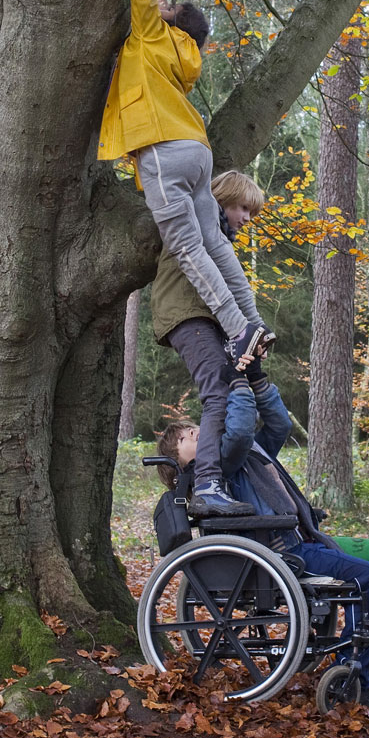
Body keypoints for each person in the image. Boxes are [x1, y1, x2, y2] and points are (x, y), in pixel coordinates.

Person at [99, 0, 270, 372]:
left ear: (173, 24)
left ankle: (238, 331)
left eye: (166, 10)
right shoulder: (186, 57)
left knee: (188, 246)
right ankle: (253, 321)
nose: (160, 8)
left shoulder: (154, 34)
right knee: (214, 241)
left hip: (162, 150)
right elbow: (158, 5)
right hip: (197, 149)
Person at [155, 376, 369, 710]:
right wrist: (237, 384)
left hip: (290, 544)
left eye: (194, 428)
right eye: (184, 437)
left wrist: (260, 384)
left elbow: (279, 425)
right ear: (181, 462)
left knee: (365, 577)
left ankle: (354, 655)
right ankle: (358, 676)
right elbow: (237, 433)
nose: (195, 432)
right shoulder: (221, 463)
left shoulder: (243, 457)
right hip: (283, 552)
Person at [148, 170, 271, 517]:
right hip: (187, 315)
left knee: (225, 388)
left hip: (200, 317)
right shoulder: (200, 227)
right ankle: (207, 485)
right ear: (223, 198)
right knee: (218, 391)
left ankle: (209, 483)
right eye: (243, 208)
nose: (247, 219)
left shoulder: (216, 234)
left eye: (251, 213)